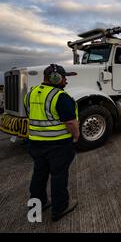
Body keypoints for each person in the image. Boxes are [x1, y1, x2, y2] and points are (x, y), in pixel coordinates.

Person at [24, 64, 80, 222]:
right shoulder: (60, 97)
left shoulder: (31, 94)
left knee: (39, 174)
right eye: (64, 77)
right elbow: (70, 122)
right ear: (57, 78)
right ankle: (60, 208)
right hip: (58, 145)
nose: (66, 80)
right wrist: (76, 136)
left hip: (35, 143)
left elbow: (32, 115)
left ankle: (37, 205)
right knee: (58, 175)